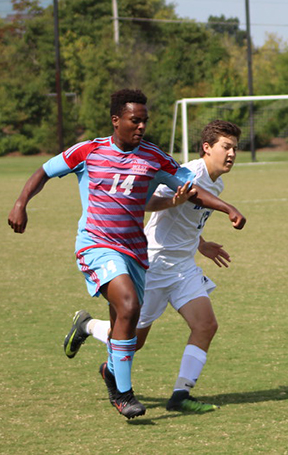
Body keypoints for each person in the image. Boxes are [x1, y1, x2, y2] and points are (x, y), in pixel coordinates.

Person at [8, 89, 246, 419]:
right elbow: (45, 171)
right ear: (116, 120)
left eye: (145, 121)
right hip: (98, 244)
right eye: (136, 120)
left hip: (137, 252)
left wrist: (220, 215)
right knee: (129, 308)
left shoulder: (154, 157)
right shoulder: (89, 151)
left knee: (137, 327)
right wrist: (21, 203)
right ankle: (123, 393)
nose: (142, 126)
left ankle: (121, 358)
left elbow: (189, 189)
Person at [65, 120, 242, 414]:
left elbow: (187, 221)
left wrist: (202, 243)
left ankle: (180, 395)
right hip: (155, 265)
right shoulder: (188, 173)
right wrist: (172, 201)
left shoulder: (217, 183)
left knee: (206, 325)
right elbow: (143, 199)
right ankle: (87, 325)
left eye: (235, 148)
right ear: (207, 148)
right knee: (133, 341)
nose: (232, 153)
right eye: (226, 146)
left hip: (183, 267)